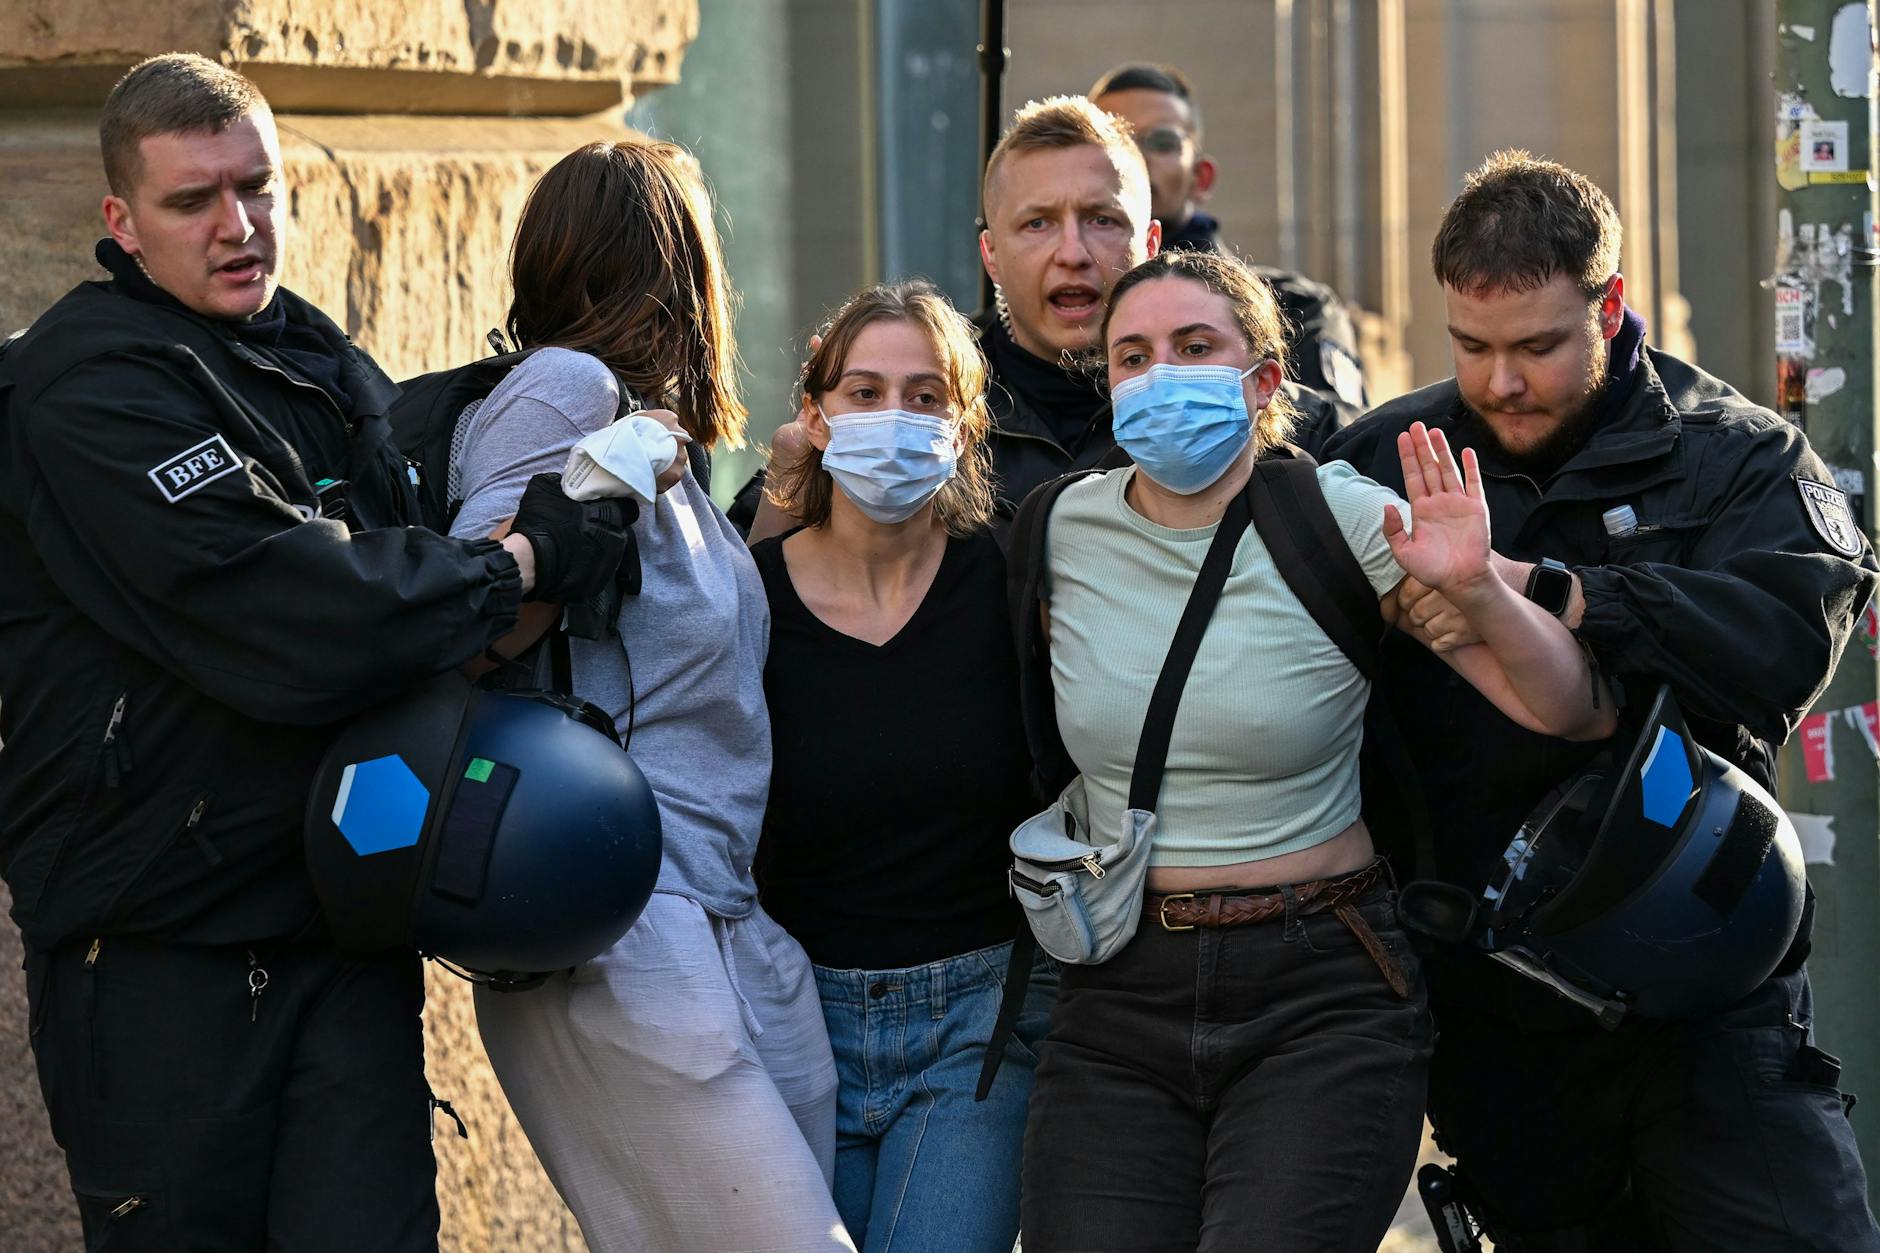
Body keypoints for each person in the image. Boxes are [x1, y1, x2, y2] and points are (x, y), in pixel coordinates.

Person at [0, 55, 626, 1249]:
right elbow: (296, 613)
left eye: (258, 186)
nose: (239, 227)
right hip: (155, 955)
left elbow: (396, 539)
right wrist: (517, 566)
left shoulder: (308, 354)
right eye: (194, 201)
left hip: (339, 926)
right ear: (120, 223)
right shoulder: (82, 387)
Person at [1322, 150, 1880, 1251]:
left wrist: (1552, 593)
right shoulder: (1384, 458)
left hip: (1703, 984)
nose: (1501, 383)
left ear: (1609, 305)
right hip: (1496, 1006)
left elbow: (1776, 641)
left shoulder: (1733, 455)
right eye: (1471, 349)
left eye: (1536, 345)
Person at [1018, 247, 1613, 1253]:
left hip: (1318, 989)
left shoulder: (1335, 515)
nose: (1160, 375)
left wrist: (1476, 588)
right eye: (1132, 356)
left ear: (1260, 379)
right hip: (1117, 992)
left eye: (1194, 346)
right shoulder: (1055, 531)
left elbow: (1570, 707)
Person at [452, 140, 853, 1253]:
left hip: (720, 907)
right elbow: (470, 608)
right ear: (681, 270)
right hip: (620, 918)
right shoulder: (565, 389)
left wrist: (775, 499)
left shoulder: (655, 438)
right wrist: (597, 481)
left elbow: (686, 651)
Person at [750, 279, 1057, 1253]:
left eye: (926, 396)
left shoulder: (1015, 585)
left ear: (966, 423)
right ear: (815, 416)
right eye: (865, 390)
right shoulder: (743, 599)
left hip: (977, 1023)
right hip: (791, 1024)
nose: (894, 416)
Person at [736, 94, 1342, 541]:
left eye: (1102, 220)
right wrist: (817, 442)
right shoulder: (922, 398)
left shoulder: (1255, 409)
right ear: (991, 253)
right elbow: (745, 581)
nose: (1072, 253)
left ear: (1151, 243)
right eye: (1038, 223)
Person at [1090, 61, 1370, 422]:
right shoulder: (1069, 313)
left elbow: (1345, 437)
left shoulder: (1298, 308)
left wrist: (1234, 384)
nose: (1136, 161)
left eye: (1161, 142)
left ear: (1201, 178)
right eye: (1115, 143)